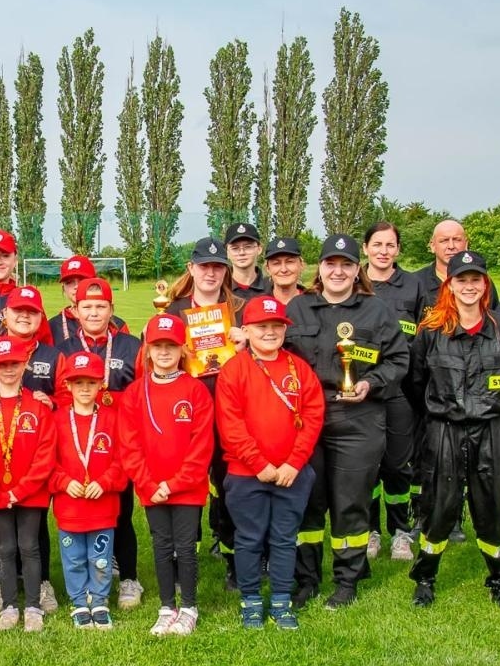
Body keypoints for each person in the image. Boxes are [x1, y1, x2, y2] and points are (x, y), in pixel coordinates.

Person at [286, 234, 408, 609]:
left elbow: (399, 359)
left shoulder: (377, 311)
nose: (338, 271)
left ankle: (347, 580)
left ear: (358, 270)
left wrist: (371, 383)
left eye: (346, 265)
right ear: (319, 268)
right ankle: (306, 579)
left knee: (350, 502)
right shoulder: (298, 307)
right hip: (306, 420)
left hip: (358, 418)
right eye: (331, 263)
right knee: (307, 502)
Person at [406, 251, 500, 609]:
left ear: (486, 285)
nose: (469, 286)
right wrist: (441, 409)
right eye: (462, 280)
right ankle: (425, 578)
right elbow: (415, 382)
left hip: (493, 429)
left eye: (476, 280)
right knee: (439, 506)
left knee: (493, 506)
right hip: (445, 429)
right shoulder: (431, 330)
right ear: (450, 285)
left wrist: (494, 405)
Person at [217, 296, 325, 629]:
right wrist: (258, 464)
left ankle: (280, 599)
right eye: (261, 326)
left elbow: (313, 414)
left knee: (284, 539)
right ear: (246, 330)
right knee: (249, 539)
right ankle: (250, 600)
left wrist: (295, 462)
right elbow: (230, 424)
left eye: (276, 326)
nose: (269, 332)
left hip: (292, 474)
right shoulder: (234, 369)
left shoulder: (298, 368)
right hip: (246, 474)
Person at [119, 314, 213, 637]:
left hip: (187, 488)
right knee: (161, 546)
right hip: (151, 488)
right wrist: (148, 484)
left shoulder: (195, 390)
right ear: (147, 349)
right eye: (157, 345)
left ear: (182, 349)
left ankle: (189, 607)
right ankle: (166, 607)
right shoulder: (135, 393)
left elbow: (201, 446)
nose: (163, 352)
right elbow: (129, 445)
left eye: (170, 346)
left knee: (185, 547)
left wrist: (174, 484)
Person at [165, 237, 249, 588]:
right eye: (204, 266)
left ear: (225, 271)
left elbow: (265, 355)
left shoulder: (241, 309)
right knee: (187, 484)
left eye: (217, 267)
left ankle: (233, 558)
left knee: (232, 486)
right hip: (187, 411)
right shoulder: (173, 311)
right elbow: (156, 361)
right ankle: (184, 559)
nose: (211, 273)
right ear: (191, 269)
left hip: (233, 410)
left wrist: (247, 344)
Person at [0, 336, 57, 632]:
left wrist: (20, 491)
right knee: (5, 547)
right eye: (2, 364)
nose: (8, 369)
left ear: (25, 365)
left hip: (31, 492)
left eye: (14, 363)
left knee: (29, 546)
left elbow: (46, 453)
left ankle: (33, 606)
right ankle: (9, 606)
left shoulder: (39, 405)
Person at [50, 351, 126, 629]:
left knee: (100, 559)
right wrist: (63, 481)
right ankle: (79, 601)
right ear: (68, 385)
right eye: (78, 382)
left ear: (101, 385)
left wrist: (104, 482)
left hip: (102, 507)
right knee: (74, 560)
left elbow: (123, 460)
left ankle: (100, 599)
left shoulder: (112, 418)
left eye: (91, 382)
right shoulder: (56, 420)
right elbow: (46, 461)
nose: (84, 388)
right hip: (70, 508)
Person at [363, 221, 424, 559]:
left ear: (398, 249)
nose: (383, 251)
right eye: (377, 244)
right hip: (364, 390)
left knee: (399, 465)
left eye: (390, 245)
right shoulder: (355, 282)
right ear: (366, 248)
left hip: (402, 390)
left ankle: (401, 531)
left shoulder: (413, 286)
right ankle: (370, 530)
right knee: (369, 464)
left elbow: (425, 335)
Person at [50, 254, 126, 342]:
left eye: (82, 280)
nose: (76, 286)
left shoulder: (118, 325)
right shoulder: (53, 326)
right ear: (63, 288)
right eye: (69, 282)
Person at [225, 221, 270, 299]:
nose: (242, 252)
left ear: (259, 249)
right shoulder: (220, 288)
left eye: (248, 247)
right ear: (227, 252)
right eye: (235, 248)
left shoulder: (272, 287)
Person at [263, 237, 307, 304]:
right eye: (276, 263)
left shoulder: (315, 304)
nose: (284, 270)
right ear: (268, 268)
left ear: (301, 265)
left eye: (289, 262)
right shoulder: (256, 305)